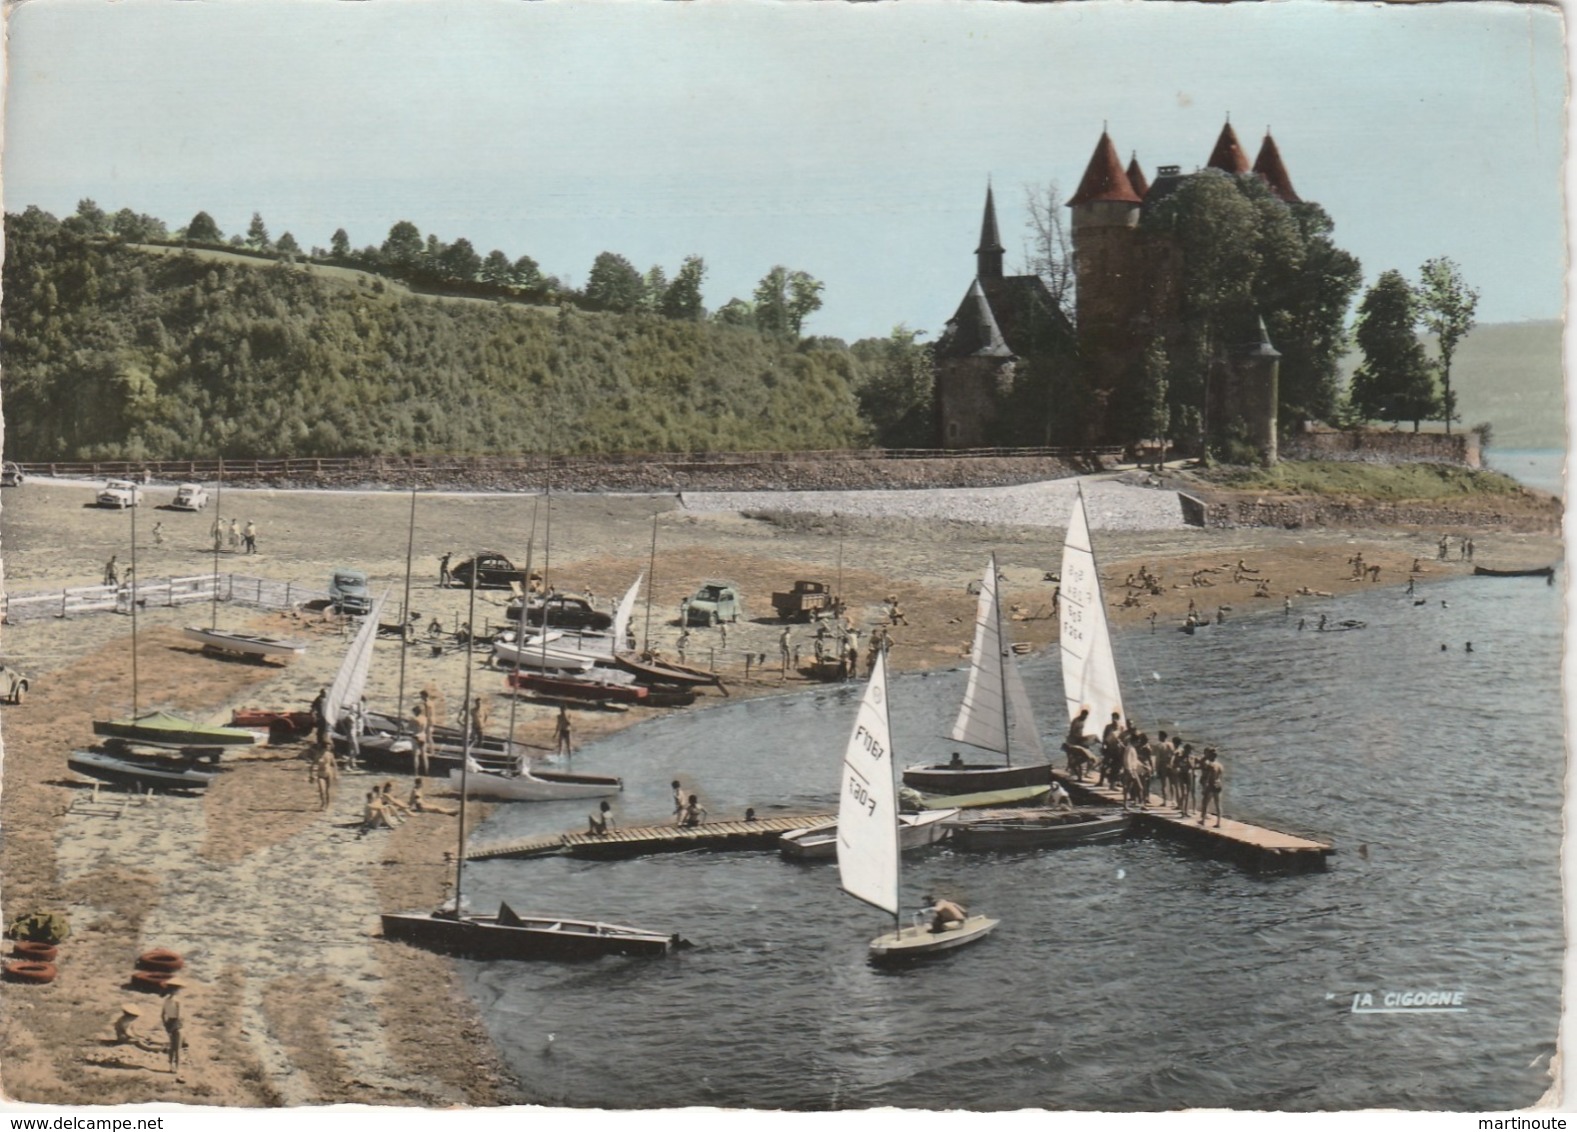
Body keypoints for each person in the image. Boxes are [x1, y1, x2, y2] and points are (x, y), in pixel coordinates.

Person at [160, 981, 185, 1079]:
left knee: (171, 1047)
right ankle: (178, 1068)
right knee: (178, 1048)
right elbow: (179, 1016)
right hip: (177, 1024)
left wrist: (166, 1026)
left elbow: (162, 1015)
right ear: (175, 990)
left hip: (169, 1023)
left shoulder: (166, 1000)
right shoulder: (178, 1001)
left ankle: (170, 1066)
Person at [1199, 748, 1224, 828]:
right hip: (1218, 784)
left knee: (1205, 803)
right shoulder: (1220, 765)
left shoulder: (1210, 765)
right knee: (1218, 804)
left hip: (1211, 785)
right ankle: (1218, 823)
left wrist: (1204, 788)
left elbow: (1207, 777)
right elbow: (1220, 775)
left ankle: (1203, 821)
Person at [308, 741, 336, 810]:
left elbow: (334, 765)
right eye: (327, 746)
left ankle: (327, 804)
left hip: (329, 773)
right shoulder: (318, 755)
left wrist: (335, 774)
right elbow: (313, 764)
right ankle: (323, 803)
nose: (328, 748)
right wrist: (311, 775)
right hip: (320, 774)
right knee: (322, 790)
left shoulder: (330, 755)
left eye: (329, 746)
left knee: (328, 790)